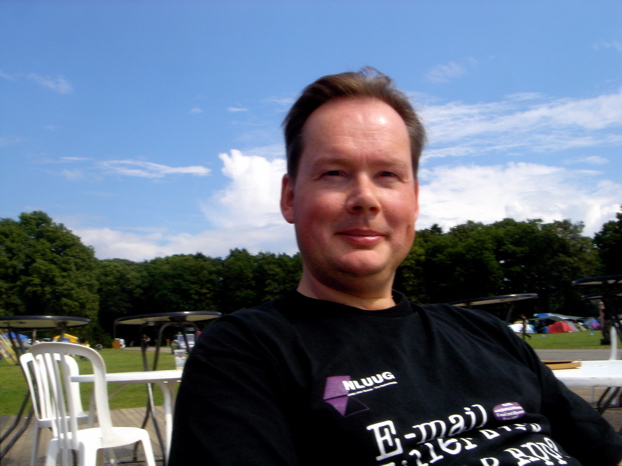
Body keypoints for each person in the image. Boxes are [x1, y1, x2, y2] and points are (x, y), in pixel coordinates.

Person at [169, 68, 622, 465]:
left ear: (414, 199)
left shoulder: (487, 334)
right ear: (290, 198)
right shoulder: (245, 355)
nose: (365, 199)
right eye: (334, 173)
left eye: (387, 175)